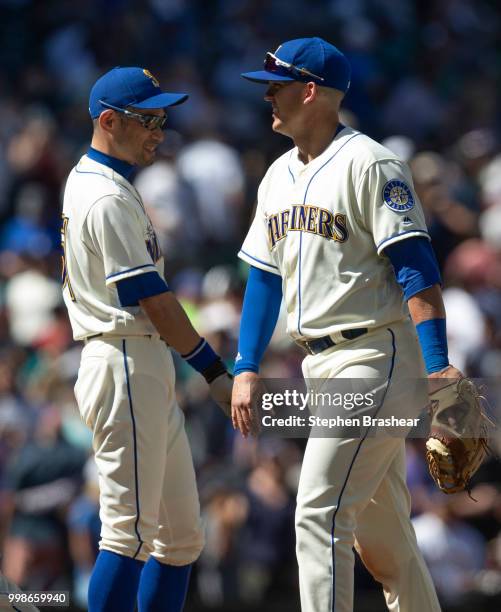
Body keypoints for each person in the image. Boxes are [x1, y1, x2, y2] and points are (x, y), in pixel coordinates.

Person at [231, 37, 463, 612]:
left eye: (276, 87)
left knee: (318, 511)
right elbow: (264, 280)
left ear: (311, 92)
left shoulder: (372, 163)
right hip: (319, 363)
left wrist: (438, 368)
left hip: (374, 355)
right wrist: (246, 365)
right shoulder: (276, 175)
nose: (268, 99)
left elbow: (417, 270)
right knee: (382, 540)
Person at [61, 67, 232, 612]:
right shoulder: (103, 193)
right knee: (127, 534)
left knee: (180, 538)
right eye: (148, 119)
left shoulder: (108, 182)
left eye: (163, 117)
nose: (160, 129)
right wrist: (212, 369)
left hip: (142, 361)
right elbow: (154, 301)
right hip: (123, 356)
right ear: (108, 120)